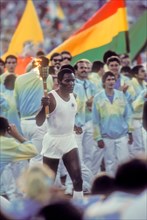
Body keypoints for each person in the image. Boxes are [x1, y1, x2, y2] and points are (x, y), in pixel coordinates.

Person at [36, 68, 83, 199]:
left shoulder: (74, 96)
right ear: (59, 82)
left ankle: (79, 209)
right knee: (48, 184)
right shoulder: (50, 97)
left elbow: (66, 117)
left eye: (73, 80)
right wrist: (42, 108)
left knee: (78, 180)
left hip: (69, 140)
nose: (71, 83)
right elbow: (39, 122)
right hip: (53, 142)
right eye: (67, 80)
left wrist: (75, 126)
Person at [14, 56, 53, 165]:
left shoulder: (19, 79)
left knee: (26, 157)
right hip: (39, 123)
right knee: (37, 158)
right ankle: (33, 182)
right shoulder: (47, 78)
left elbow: (16, 104)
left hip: (23, 123)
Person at [92, 71, 133, 176]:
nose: (111, 82)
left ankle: (125, 185)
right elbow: (95, 119)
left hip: (122, 135)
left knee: (124, 162)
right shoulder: (98, 97)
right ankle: (112, 186)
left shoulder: (121, 95)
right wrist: (98, 138)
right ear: (104, 82)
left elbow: (128, 115)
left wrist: (130, 132)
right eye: (108, 79)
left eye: (113, 79)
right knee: (110, 163)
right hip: (106, 136)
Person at [0, 116, 38, 200]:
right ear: (7, 129)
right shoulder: (8, 143)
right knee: (20, 159)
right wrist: (17, 135)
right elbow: (33, 151)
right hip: (5, 194)